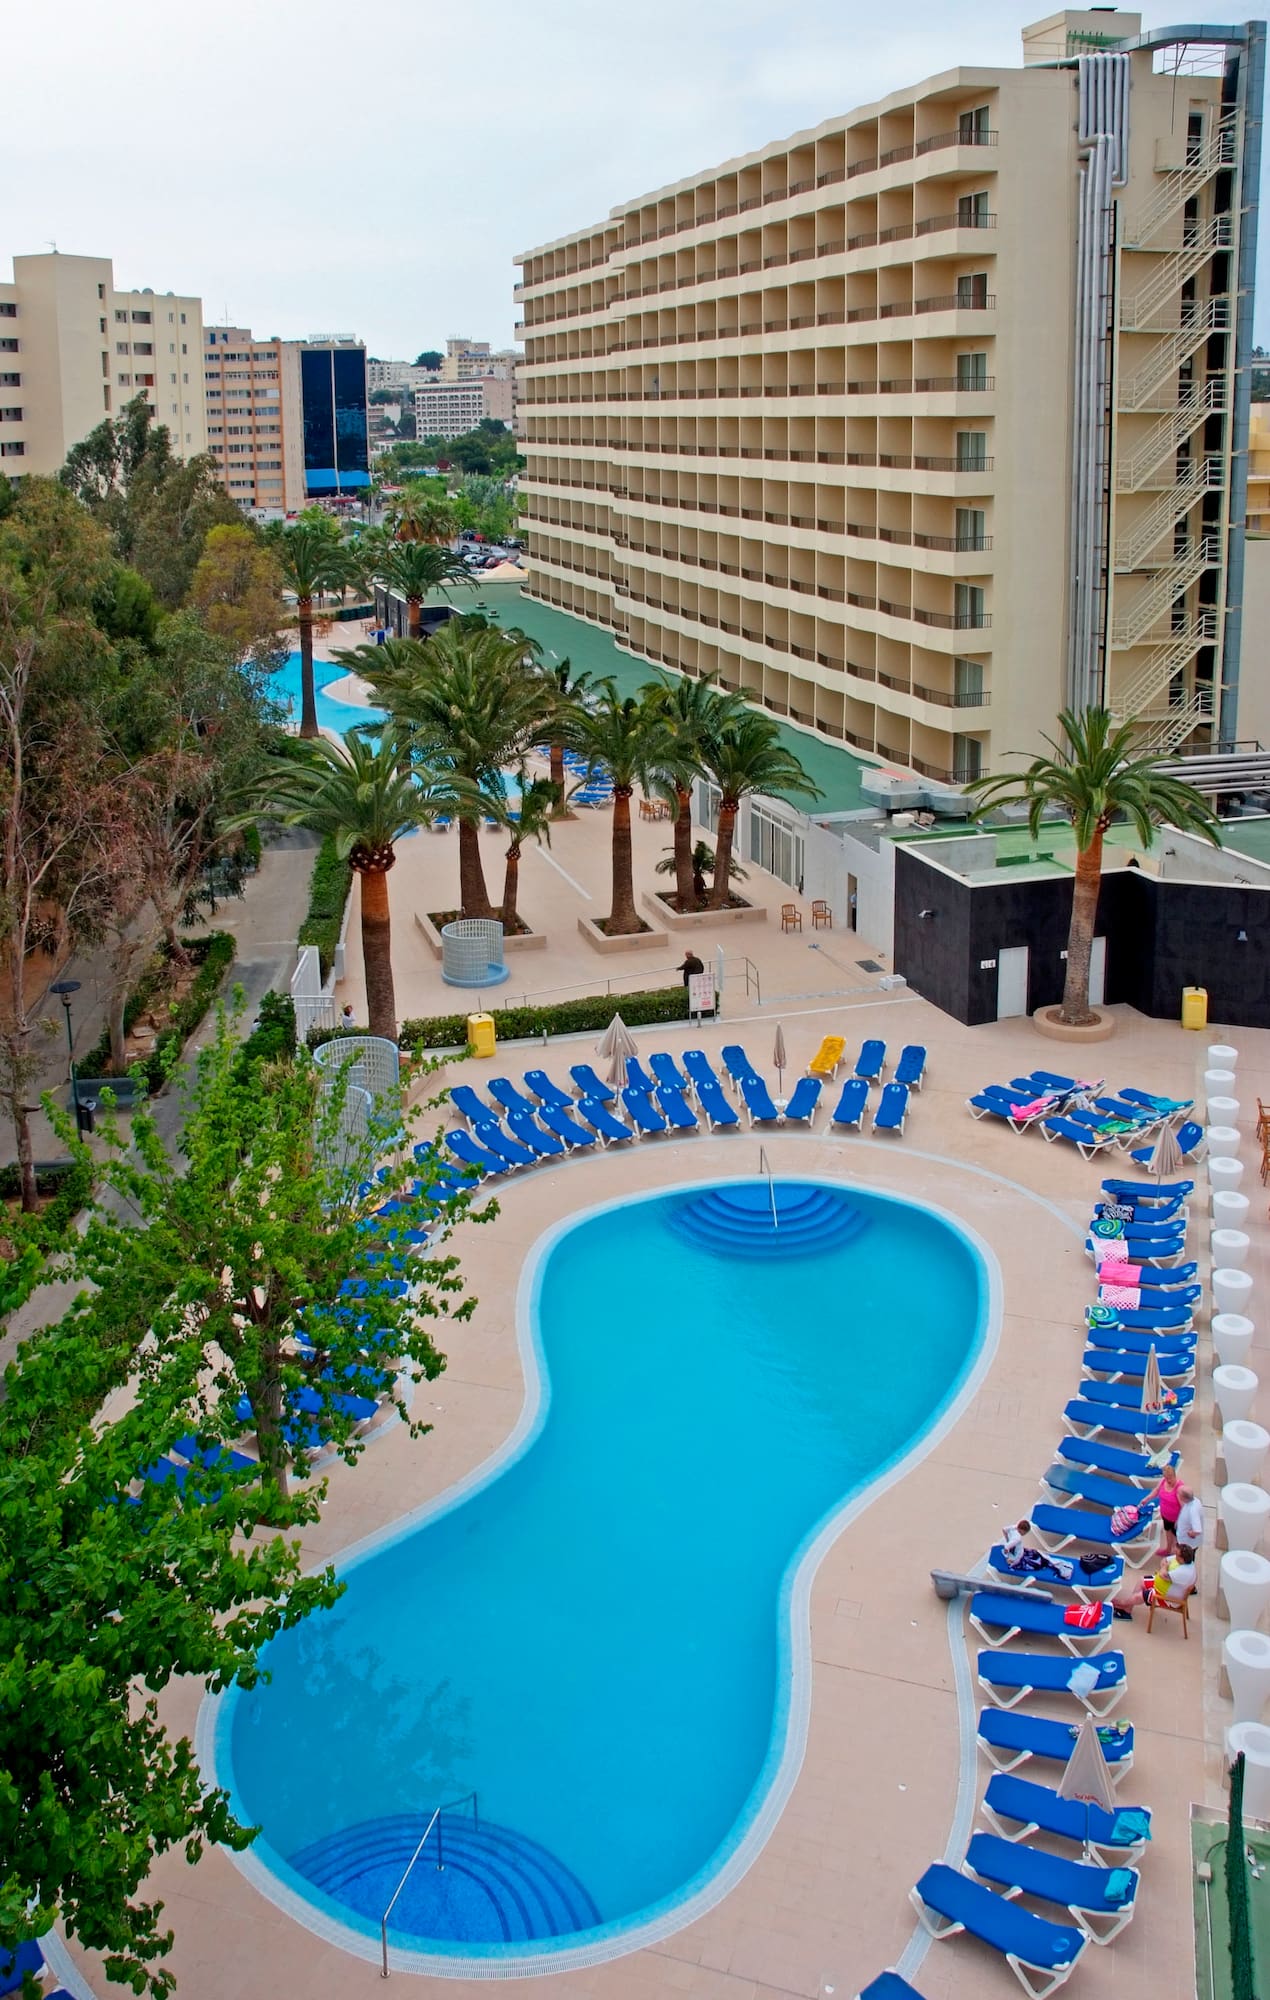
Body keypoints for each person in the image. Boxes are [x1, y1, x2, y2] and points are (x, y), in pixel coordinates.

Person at [1112, 1544, 1197, 1620]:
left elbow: (1163, 1574)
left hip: (1167, 1597)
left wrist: (1164, 1568)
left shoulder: (1183, 1572)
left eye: (1177, 1554)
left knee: (1139, 1597)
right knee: (1142, 1581)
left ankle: (1123, 1604)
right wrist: (1164, 1569)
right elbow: (1164, 1561)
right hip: (1162, 1586)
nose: (1174, 1555)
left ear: (1182, 1559)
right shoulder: (1183, 1561)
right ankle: (1128, 1609)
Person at [1153, 1463, 1183, 1554]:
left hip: (1176, 1519)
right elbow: (1156, 1491)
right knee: (1168, 1532)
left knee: (1178, 1539)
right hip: (1166, 1516)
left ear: (1174, 1475)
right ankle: (1168, 1549)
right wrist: (1146, 1499)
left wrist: (1179, 1520)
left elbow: (1184, 1507)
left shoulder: (1179, 1488)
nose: (1168, 1480)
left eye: (1170, 1478)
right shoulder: (1163, 1482)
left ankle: (1178, 1555)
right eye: (1166, 1478)